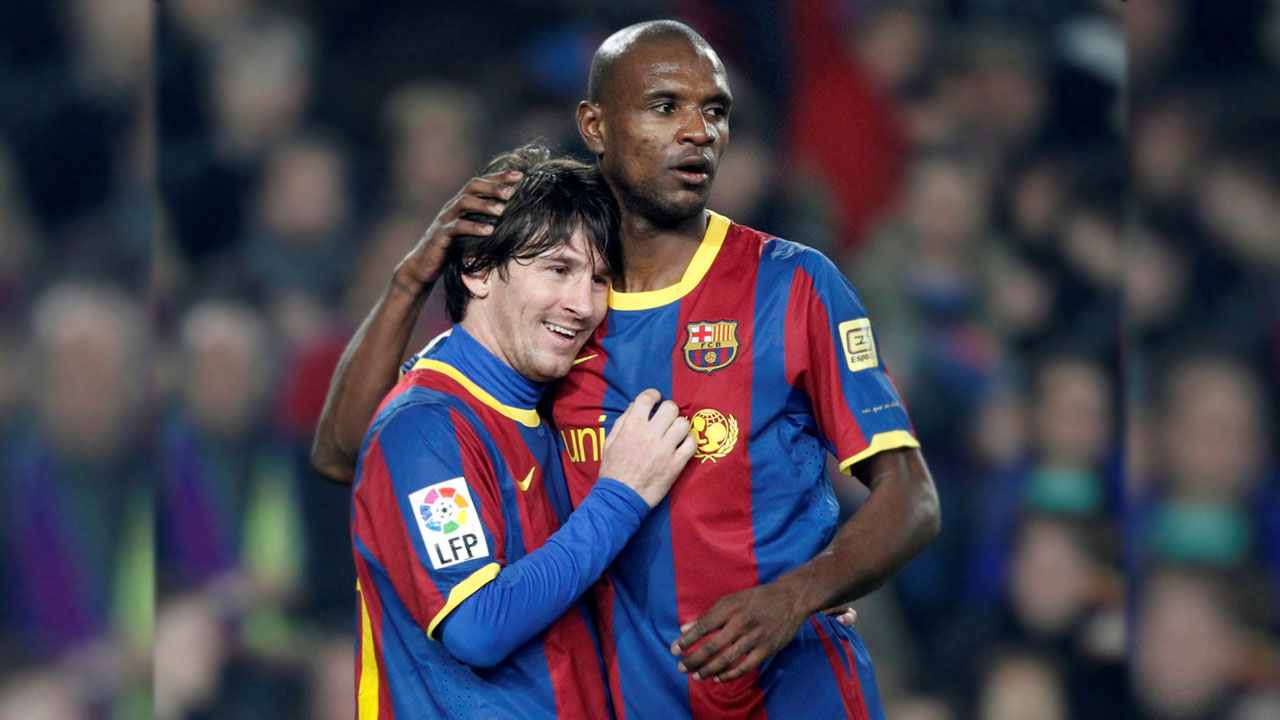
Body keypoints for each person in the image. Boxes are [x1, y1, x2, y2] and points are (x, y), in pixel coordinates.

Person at [317, 21, 939, 720]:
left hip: (794, 694)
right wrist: (413, 279)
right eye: (665, 106)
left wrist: (801, 593)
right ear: (595, 125)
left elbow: (912, 497)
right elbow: (356, 448)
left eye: (715, 110)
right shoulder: (555, 325)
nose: (699, 131)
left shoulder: (794, 284)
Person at [349, 145, 695, 718]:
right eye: (558, 269)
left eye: (600, 279)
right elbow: (475, 626)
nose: (582, 304)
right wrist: (619, 496)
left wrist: (786, 589)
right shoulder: (422, 429)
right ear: (478, 269)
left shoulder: (562, 409)